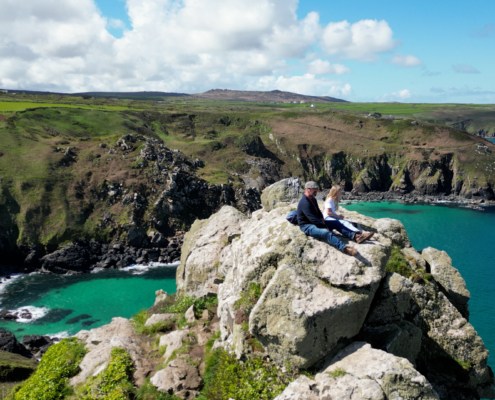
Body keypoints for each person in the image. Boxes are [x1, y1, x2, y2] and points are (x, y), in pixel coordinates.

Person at [297, 181, 357, 256]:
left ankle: (354, 236)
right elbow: (313, 219)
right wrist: (324, 226)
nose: (316, 191)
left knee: (336, 223)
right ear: (308, 189)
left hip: (316, 221)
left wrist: (323, 220)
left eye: (316, 189)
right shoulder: (304, 202)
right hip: (307, 226)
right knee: (326, 233)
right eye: (314, 189)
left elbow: (319, 213)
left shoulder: (313, 199)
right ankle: (343, 247)